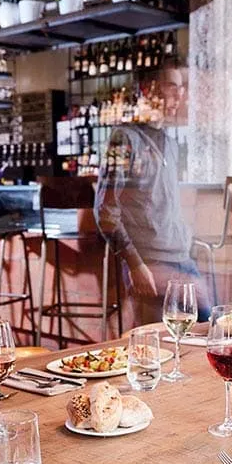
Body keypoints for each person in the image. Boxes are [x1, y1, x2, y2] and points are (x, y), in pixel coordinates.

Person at [94, 66, 211, 326]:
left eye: (181, 88)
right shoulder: (124, 140)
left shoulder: (170, 143)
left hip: (181, 258)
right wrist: (135, 265)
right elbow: (105, 212)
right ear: (148, 90)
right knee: (158, 344)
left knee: (211, 333)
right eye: (171, 86)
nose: (179, 96)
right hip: (151, 263)